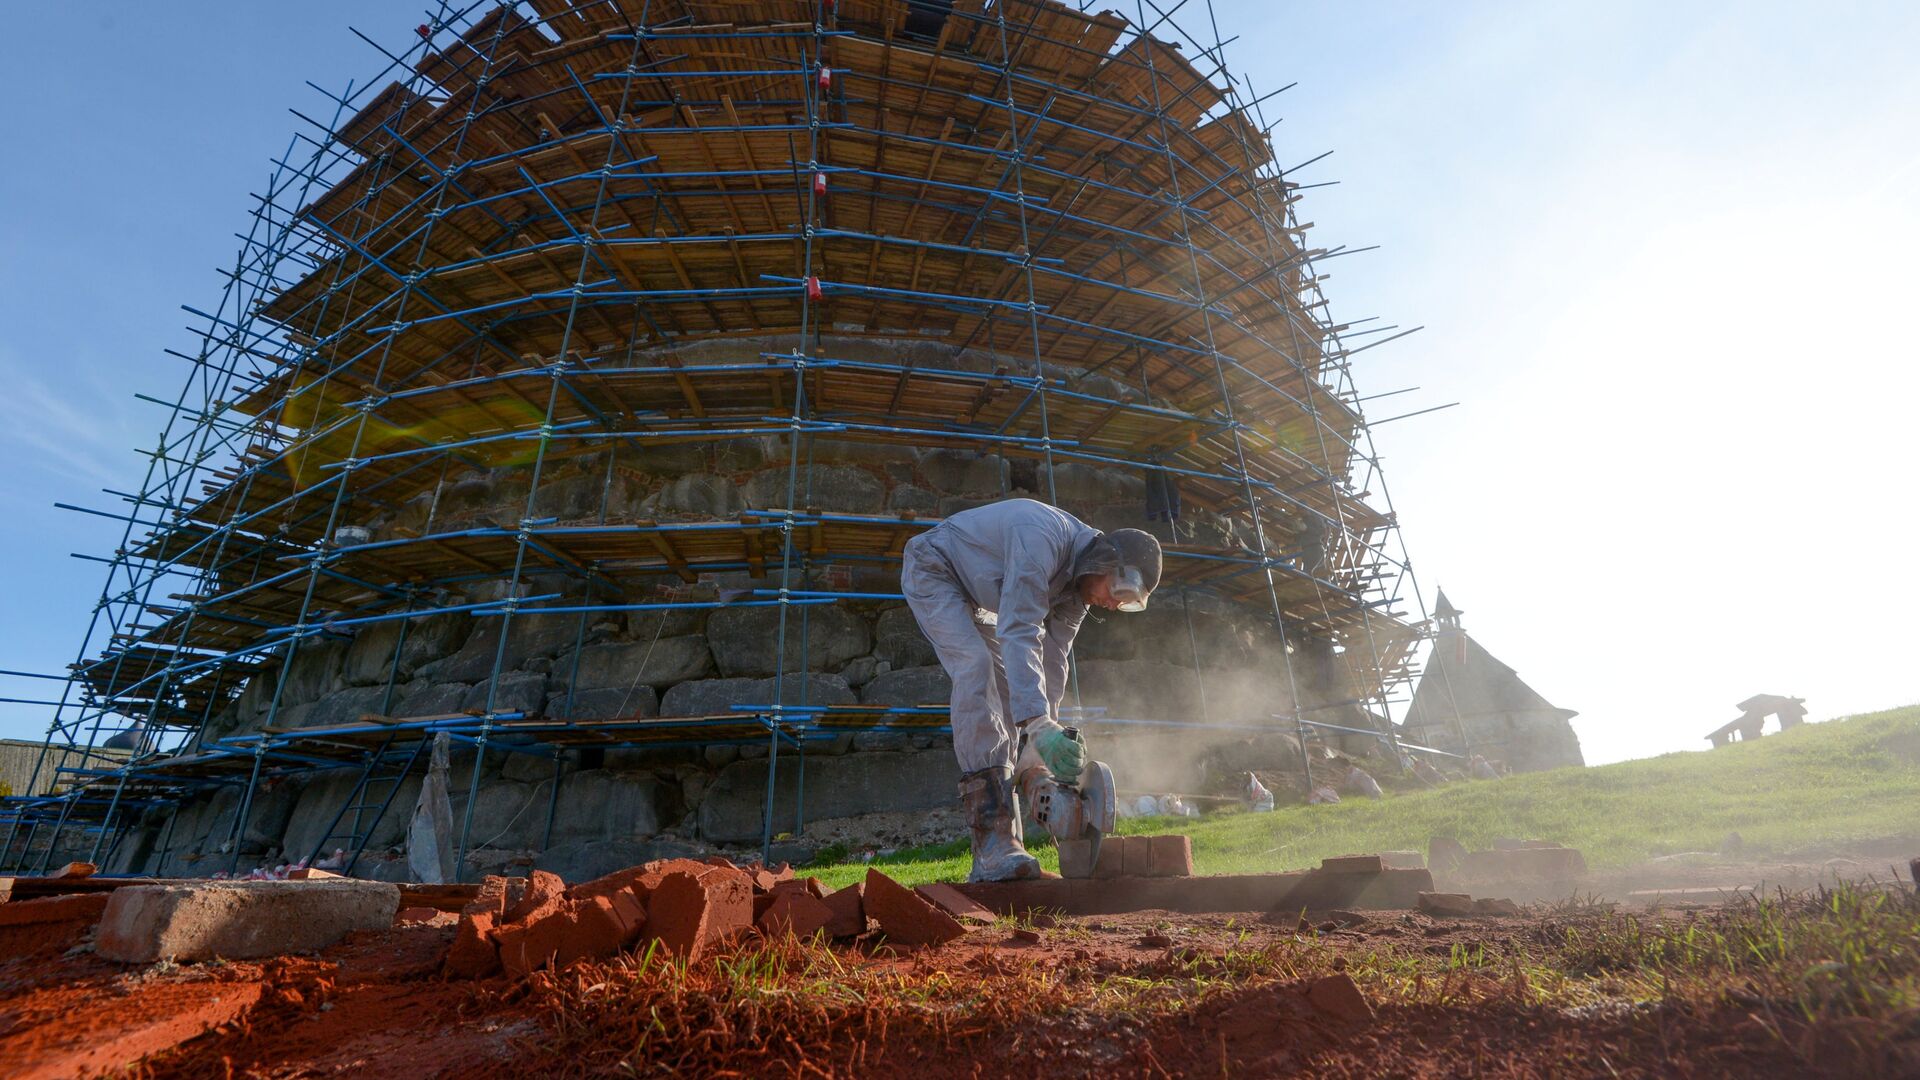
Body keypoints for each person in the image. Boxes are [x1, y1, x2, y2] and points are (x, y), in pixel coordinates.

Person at [900, 498, 1162, 882]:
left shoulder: (1078, 594)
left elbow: (1052, 658)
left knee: (1013, 697)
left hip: (976, 598)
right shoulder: (1040, 535)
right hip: (933, 568)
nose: (1111, 604)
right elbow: (1019, 627)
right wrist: (1037, 723)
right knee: (976, 667)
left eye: (1123, 603)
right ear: (1105, 560)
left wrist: (1042, 737)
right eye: (1117, 589)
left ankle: (1010, 842)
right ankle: (991, 841)